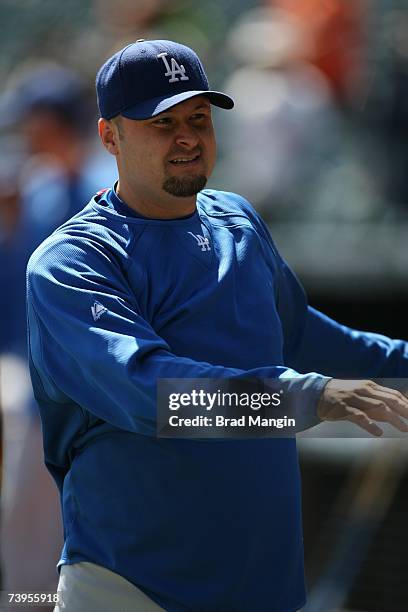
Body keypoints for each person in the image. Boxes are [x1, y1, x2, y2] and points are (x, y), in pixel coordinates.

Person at [26, 40, 408, 612]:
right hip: (131, 588)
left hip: (265, 586)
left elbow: (303, 336)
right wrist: (309, 397)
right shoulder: (72, 261)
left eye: (199, 118)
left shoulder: (238, 220)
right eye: (163, 122)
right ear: (110, 136)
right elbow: (159, 397)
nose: (187, 137)